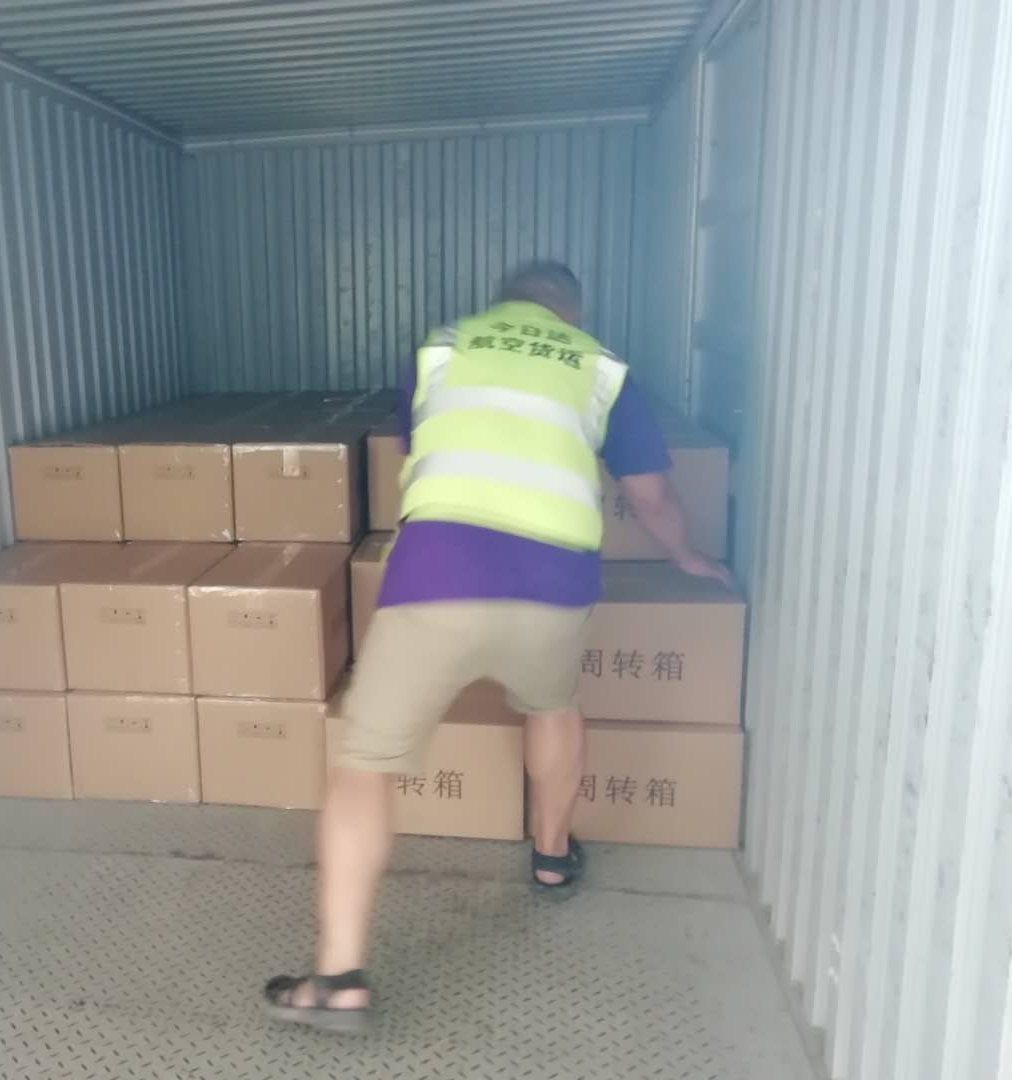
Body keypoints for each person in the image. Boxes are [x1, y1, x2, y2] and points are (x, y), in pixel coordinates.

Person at [262, 260, 732, 1032]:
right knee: (553, 706)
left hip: (437, 577)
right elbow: (650, 495)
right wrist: (686, 557)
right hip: (555, 584)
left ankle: (339, 979)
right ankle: (551, 859)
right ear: (570, 311)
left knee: (365, 763)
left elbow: (423, 452)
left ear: (503, 304)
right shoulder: (600, 365)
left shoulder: (443, 348)